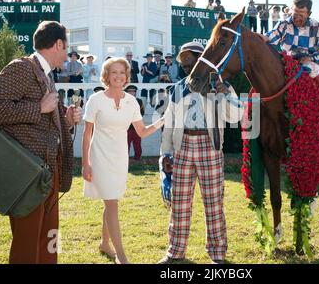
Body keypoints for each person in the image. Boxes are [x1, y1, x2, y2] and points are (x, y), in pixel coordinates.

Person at [0, 21, 81, 264]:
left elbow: (46, 120)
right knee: (27, 244)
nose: (67, 54)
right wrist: (38, 108)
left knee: (49, 238)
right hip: (27, 175)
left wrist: (65, 120)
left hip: (48, 172)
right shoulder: (22, 68)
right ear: (58, 44)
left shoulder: (46, 74)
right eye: (66, 47)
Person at [157, 42, 242, 264]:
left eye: (189, 59)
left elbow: (235, 117)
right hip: (182, 146)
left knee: (214, 203)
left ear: (200, 58)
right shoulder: (177, 88)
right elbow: (169, 123)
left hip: (209, 146)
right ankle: (175, 251)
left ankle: (217, 254)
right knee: (180, 202)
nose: (186, 65)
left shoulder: (219, 85)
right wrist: (165, 153)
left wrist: (226, 95)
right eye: (183, 62)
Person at [82, 57, 164, 264]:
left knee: (111, 200)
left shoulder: (131, 101)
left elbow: (142, 132)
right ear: (106, 76)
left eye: (122, 72)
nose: (118, 76)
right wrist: (85, 163)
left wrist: (163, 120)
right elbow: (86, 134)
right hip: (99, 156)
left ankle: (104, 243)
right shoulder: (96, 100)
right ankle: (121, 255)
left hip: (119, 158)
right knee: (111, 204)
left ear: (127, 76)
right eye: (113, 72)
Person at [263, 0, 319, 115]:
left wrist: (311, 58)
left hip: (309, 62)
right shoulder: (284, 24)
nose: (296, 17)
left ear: (309, 14)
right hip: (287, 60)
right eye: (294, 12)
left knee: (311, 68)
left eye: (301, 14)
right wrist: (263, 37)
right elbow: (272, 36)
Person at [125, 85, 145, 160]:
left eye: (133, 91)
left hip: (137, 126)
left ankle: (138, 157)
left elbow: (142, 113)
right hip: (126, 126)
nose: (131, 93)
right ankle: (125, 158)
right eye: (130, 91)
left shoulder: (139, 101)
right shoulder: (123, 101)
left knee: (137, 143)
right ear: (127, 92)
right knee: (126, 143)